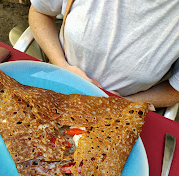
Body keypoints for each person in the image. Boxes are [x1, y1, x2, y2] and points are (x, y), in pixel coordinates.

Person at [28, 0, 179, 108]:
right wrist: (61, 64)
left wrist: (126, 103)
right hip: (56, 85)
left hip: (119, 111)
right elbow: (40, 12)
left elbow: (175, 89)